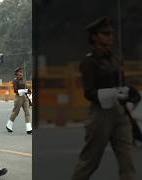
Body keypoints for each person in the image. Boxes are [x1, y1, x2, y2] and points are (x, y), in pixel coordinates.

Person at [71, 16, 140, 180]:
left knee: (127, 162)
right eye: (104, 33)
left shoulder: (116, 59)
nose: (110, 37)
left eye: (110, 34)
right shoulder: (89, 62)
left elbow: (122, 82)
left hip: (120, 113)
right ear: (94, 37)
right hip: (100, 114)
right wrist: (112, 92)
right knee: (89, 161)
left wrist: (128, 92)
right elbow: (89, 93)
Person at [6, 67, 32, 134]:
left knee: (27, 112)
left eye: (21, 73)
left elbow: (27, 87)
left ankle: (29, 128)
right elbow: (15, 90)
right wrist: (24, 90)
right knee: (15, 112)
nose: (21, 74)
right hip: (18, 97)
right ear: (17, 74)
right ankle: (9, 125)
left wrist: (28, 91)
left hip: (25, 97)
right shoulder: (15, 81)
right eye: (19, 73)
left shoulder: (23, 80)